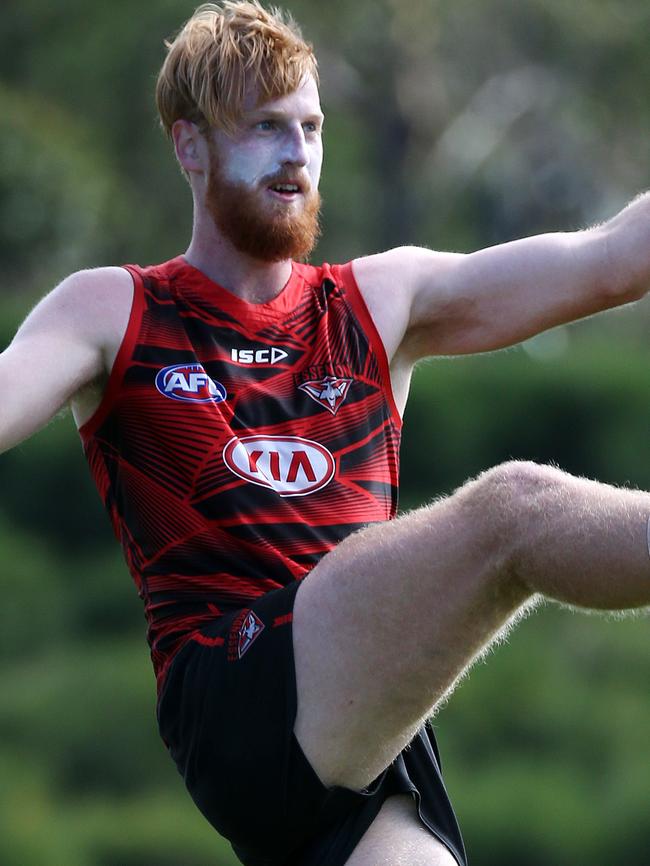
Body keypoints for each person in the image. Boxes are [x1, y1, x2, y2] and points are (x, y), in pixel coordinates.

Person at [2, 1, 650, 863]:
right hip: (233, 693)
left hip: (363, 733)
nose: (298, 152)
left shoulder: (380, 300)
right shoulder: (114, 307)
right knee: (516, 510)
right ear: (188, 145)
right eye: (266, 127)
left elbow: (615, 257)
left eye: (310, 126)